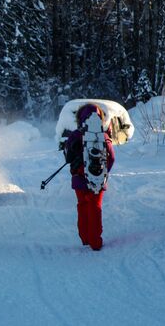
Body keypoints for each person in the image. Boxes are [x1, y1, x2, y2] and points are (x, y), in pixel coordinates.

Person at [64, 104, 115, 251]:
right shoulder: (103, 136)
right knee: (95, 207)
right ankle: (95, 241)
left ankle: (85, 238)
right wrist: (104, 172)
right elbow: (111, 158)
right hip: (97, 178)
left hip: (79, 179)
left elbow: (67, 158)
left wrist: (75, 171)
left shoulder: (74, 135)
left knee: (82, 206)